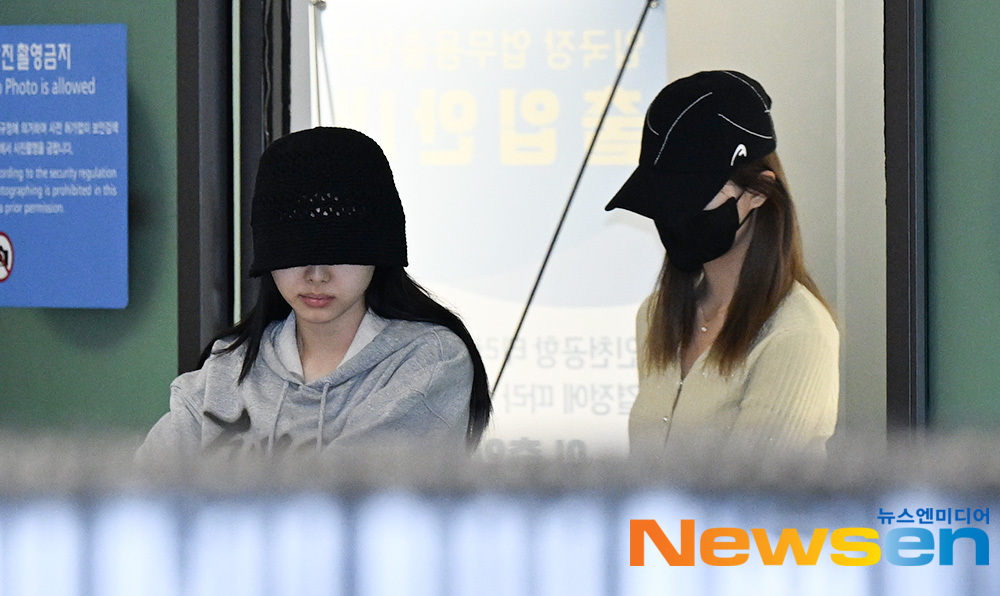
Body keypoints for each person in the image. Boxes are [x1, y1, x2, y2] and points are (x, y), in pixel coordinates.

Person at [137, 127, 491, 462]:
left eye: (340, 251)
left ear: (379, 253)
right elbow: (142, 488)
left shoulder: (428, 361)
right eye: (295, 253)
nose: (317, 275)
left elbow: (347, 497)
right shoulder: (227, 368)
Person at [605, 70, 838, 462]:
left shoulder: (796, 332)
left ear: (759, 192)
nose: (673, 216)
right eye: (663, 200)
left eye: (690, 198)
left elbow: (753, 487)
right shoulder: (657, 315)